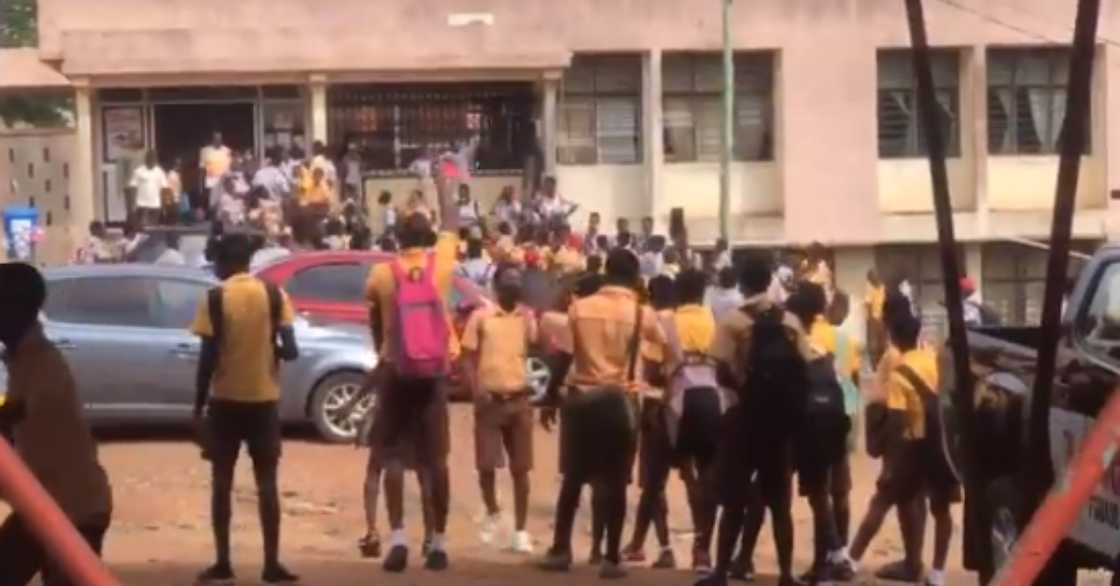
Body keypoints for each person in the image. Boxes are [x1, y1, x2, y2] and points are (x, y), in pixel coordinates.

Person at [539, 248, 667, 580]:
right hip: (622, 402)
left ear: (607, 273)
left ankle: (561, 550)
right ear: (636, 278)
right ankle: (611, 556)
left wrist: (552, 395)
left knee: (573, 479)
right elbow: (663, 347)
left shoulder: (579, 308)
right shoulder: (642, 313)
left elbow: (565, 358)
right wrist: (643, 379)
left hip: (582, 399)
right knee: (616, 482)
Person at [190, 233, 300, 585]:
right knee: (267, 484)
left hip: (225, 401)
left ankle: (223, 562)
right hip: (264, 400)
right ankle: (271, 564)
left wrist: (197, 404)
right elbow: (292, 349)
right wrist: (272, 352)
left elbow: (207, 358)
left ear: (224, 263)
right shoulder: (272, 294)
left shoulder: (215, 298)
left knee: (221, 483)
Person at [364, 173, 460, 573]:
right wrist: (444, 186)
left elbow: (374, 322)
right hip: (435, 373)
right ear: (428, 238)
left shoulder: (382, 275)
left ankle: (399, 537)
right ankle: (437, 542)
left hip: (396, 371)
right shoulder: (442, 266)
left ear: (397, 239)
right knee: (436, 461)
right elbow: (454, 221)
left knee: (393, 459)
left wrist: (384, 354)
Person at [0, 263, 114, 586]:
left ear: (14, 310)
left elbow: (12, 417)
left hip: (73, 509)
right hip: (48, 505)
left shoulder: (42, 363)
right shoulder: (24, 359)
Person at [701, 255, 811, 586]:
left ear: (743, 284)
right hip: (779, 424)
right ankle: (786, 574)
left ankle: (720, 572)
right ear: (768, 283)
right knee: (779, 504)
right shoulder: (790, 322)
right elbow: (805, 367)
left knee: (734, 500)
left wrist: (744, 388)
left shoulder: (734, 320)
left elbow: (719, 368)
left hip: (742, 419)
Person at [846, 311, 936, 583]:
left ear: (893, 334)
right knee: (913, 502)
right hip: (926, 441)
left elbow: (897, 420)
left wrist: (892, 465)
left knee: (882, 499)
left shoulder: (899, 369)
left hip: (905, 443)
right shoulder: (929, 358)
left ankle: (851, 559)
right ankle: (912, 563)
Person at [461, 265, 539, 554]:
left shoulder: (526, 317)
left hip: (519, 401)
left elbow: (536, 347)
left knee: (521, 469)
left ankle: (520, 530)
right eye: (508, 282)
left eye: (518, 282)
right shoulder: (481, 317)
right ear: (496, 286)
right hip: (490, 401)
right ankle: (493, 512)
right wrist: (475, 388)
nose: (514, 287)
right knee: (485, 465)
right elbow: (466, 358)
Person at [786, 283, 855, 583]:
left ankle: (823, 562)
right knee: (840, 493)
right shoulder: (842, 338)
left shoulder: (800, 339)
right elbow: (851, 381)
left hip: (812, 422)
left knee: (818, 493)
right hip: (844, 416)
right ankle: (839, 558)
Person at [658, 269, 724, 573]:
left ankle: (691, 538)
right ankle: (703, 548)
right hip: (712, 398)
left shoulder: (668, 321)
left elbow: (659, 365)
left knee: (685, 472)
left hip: (678, 402)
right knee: (709, 472)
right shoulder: (714, 321)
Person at [622, 275, 678, 570]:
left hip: (657, 406)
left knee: (653, 481)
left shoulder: (657, 322)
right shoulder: (694, 320)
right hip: (690, 406)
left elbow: (656, 370)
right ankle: (639, 543)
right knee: (686, 481)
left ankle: (664, 546)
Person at [129, 150, 170, 227]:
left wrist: (165, 206)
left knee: (153, 227)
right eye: (150, 158)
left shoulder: (160, 172)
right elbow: (132, 187)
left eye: (153, 159)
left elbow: (165, 189)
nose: (151, 160)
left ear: (156, 160)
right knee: (142, 227)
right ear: (146, 159)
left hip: (156, 205)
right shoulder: (138, 171)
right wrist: (132, 204)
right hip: (142, 205)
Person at [200, 132, 233, 217]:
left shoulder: (227, 151)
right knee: (213, 203)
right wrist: (201, 185)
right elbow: (202, 169)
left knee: (223, 201)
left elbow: (230, 167)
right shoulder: (205, 151)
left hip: (224, 181)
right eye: (216, 139)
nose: (218, 141)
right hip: (211, 181)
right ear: (213, 140)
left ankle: (220, 218)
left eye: (220, 139)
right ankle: (214, 218)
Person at [865, 269, 888, 366]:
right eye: (871, 278)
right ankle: (874, 364)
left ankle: (882, 362)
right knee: (873, 343)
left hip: (882, 318)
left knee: (883, 342)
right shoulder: (869, 288)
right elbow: (869, 305)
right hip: (873, 319)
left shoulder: (883, 287)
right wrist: (871, 320)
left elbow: (886, 302)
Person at [165, 157, 185, 225]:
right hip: (172, 199)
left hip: (177, 199)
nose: (180, 166)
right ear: (174, 165)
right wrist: (169, 201)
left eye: (180, 164)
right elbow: (167, 188)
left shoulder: (177, 175)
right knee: (172, 218)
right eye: (178, 164)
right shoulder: (171, 175)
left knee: (175, 218)